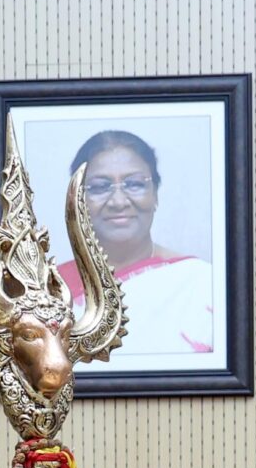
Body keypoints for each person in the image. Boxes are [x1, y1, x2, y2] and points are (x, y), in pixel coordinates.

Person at [56, 128, 215, 357]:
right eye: (100, 187)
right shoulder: (50, 292)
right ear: (77, 201)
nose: (119, 201)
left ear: (155, 194)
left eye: (135, 184)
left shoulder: (202, 286)